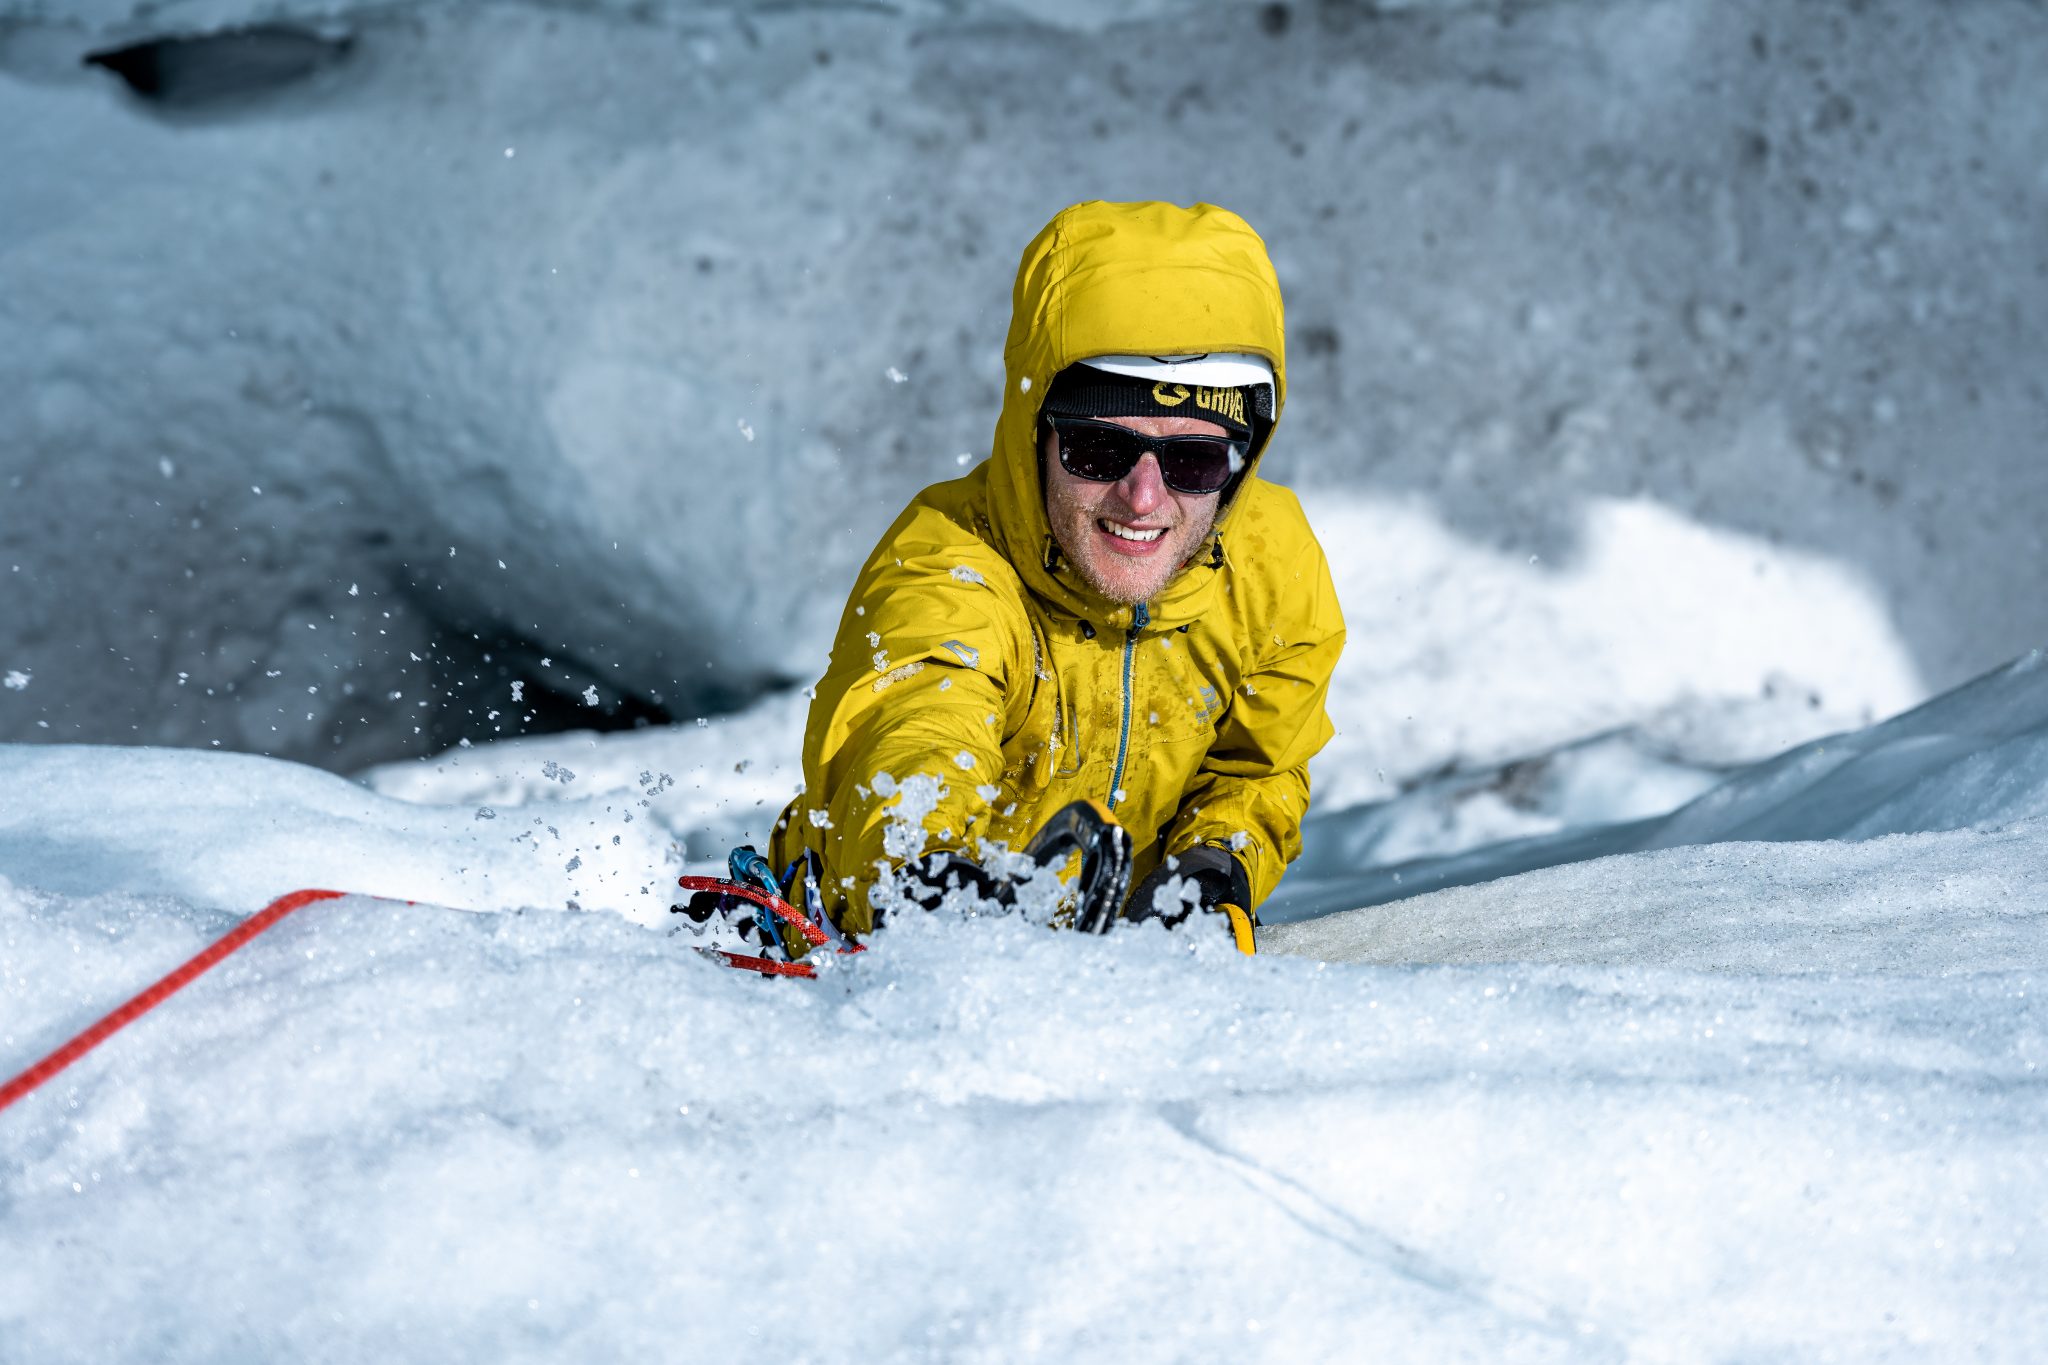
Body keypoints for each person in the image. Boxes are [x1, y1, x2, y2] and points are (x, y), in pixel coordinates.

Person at [766, 199, 1344, 946]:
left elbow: (1257, 771)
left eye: (1194, 461)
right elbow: (912, 733)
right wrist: (932, 881)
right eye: (1099, 452)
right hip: (850, 961)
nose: (1144, 498)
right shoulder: (949, 562)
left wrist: (1209, 870)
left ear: (1242, 464)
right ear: (1033, 431)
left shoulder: (1273, 568)